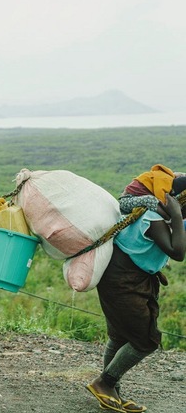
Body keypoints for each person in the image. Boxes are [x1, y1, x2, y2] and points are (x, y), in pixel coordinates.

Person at [86, 191, 186, 412]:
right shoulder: (153, 218)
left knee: (120, 336)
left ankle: (112, 393)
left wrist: (178, 219)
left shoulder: (164, 218)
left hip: (127, 278)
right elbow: (178, 252)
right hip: (122, 281)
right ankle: (105, 383)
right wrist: (177, 216)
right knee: (146, 341)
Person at [118, 164, 186, 215]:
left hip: (136, 199)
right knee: (151, 200)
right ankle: (167, 218)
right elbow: (160, 196)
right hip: (127, 201)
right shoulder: (164, 179)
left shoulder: (163, 176)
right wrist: (170, 210)